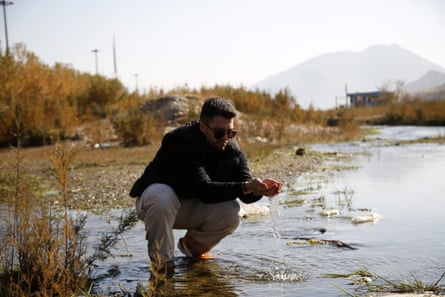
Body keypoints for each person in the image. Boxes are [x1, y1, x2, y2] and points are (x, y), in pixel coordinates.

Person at [130, 97, 282, 273]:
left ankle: (192, 247)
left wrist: (260, 189)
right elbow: (204, 189)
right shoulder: (181, 142)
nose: (225, 138)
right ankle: (162, 266)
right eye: (219, 133)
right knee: (163, 196)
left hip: (189, 206)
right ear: (203, 127)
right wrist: (246, 186)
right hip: (154, 204)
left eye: (230, 132)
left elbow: (245, 195)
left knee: (231, 211)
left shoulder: (233, 149)